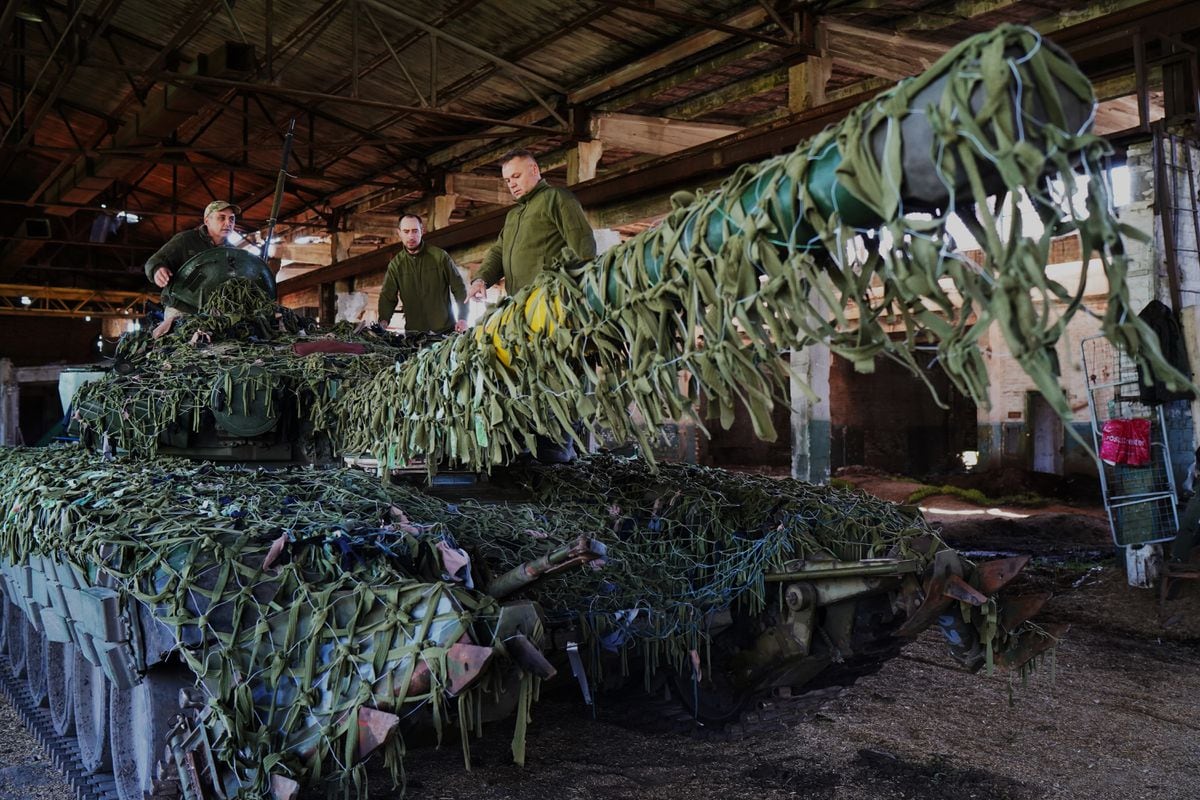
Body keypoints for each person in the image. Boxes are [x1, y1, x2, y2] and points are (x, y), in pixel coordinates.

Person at [468, 149, 596, 300]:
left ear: (534, 169)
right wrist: (480, 280)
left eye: (516, 176)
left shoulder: (556, 198)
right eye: (508, 180)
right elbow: (498, 253)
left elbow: (584, 248)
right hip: (519, 306)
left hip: (550, 301)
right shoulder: (513, 216)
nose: (512, 184)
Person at [144, 200, 240, 316]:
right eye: (221, 218)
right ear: (207, 221)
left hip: (215, 312)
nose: (228, 223)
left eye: (232, 219)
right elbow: (155, 261)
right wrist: (157, 269)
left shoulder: (234, 252)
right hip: (181, 308)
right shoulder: (185, 240)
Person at [378, 214, 469, 334]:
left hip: (444, 331)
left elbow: (459, 288)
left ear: (422, 231)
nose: (411, 236)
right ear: (399, 233)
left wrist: (463, 318)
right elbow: (387, 297)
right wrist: (383, 321)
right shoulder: (396, 265)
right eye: (406, 231)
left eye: (415, 231)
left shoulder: (440, 257)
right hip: (414, 336)